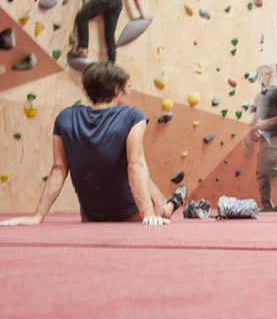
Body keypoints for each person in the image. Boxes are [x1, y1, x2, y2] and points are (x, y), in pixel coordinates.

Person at [0, 62, 185, 226]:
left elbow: (59, 169)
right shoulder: (132, 116)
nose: (130, 91)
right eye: (128, 87)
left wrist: (38, 216)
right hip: (130, 214)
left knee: (141, 177)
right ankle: (169, 206)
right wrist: (148, 214)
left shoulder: (65, 117)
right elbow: (135, 165)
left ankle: (167, 204)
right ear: (116, 91)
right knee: (152, 193)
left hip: (91, 215)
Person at [248, 65, 277, 212]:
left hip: (276, 134)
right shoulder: (260, 96)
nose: (263, 76)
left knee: (269, 165)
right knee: (261, 170)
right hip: (265, 137)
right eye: (260, 74)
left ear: (271, 75)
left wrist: (268, 122)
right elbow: (256, 117)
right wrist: (251, 130)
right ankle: (266, 204)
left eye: (266, 73)